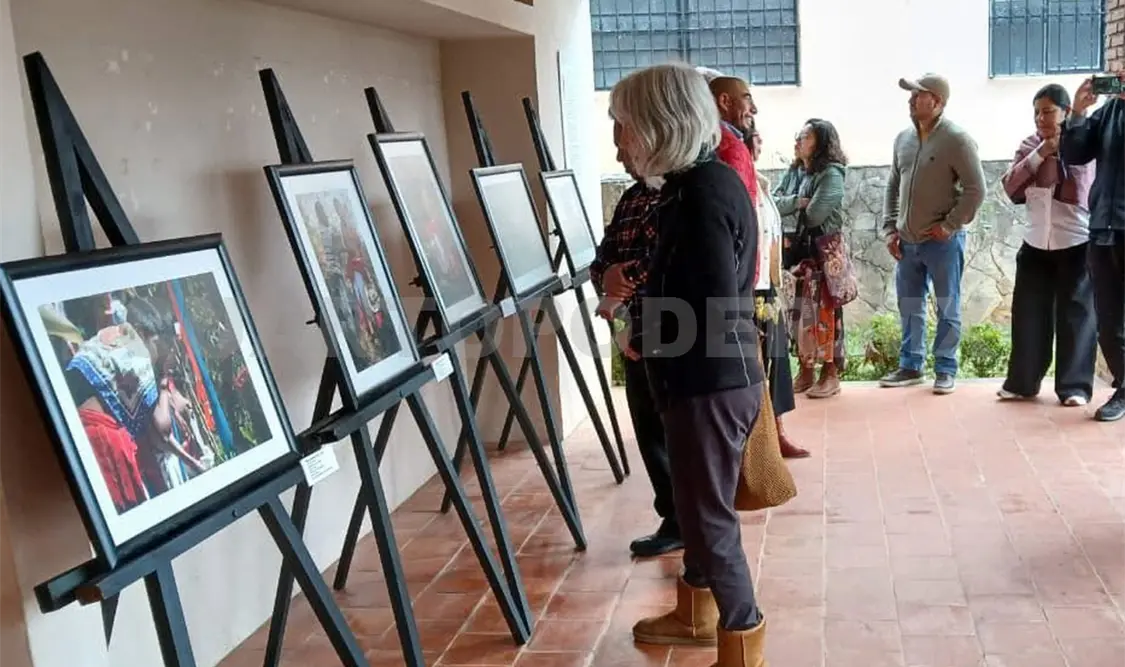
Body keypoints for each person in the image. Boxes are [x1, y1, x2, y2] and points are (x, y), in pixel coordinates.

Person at [612, 63, 768, 667]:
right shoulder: (691, 185)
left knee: (707, 518)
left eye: (624, 126)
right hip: (704, 378)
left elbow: (706, 301)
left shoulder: (701, 192)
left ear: (659, 123)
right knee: (697, 505)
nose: (619, 143)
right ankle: (697, 613)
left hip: (707, 382)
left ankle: (742, 639)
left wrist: (646, 327)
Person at [590, 123, 682, 559]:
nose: (619, 157)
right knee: (648, 430)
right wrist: (611, 287)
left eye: (623, 146)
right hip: (633, 329)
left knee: (677, 431)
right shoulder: (631, 198)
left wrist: (619, 283)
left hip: (672, 331)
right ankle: (674, 518)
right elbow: (602, 259)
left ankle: (692, 520)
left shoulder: (677, 197)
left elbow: (661, 258)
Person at [880, 74, 986, 395]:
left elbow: (976, 190)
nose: (911, 100)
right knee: (910, 306)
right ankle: (911, 366)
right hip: (906, 241)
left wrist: (950, 225)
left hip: (943, 242)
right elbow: (893, 185)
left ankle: (945, 369)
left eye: (918, 94)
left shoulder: (957, 140)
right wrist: (890, 229)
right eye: (911, 95)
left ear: (937, 102)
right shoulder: (903, 139)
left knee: (947, 306)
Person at [998, 84, 1098, 407]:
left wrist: (1063, 149)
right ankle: (1022, 383)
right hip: (1035, 243)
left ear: (1066, 112)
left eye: (1048, 111)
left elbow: (1087, 188)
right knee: (1028, 316)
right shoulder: (1029, 146)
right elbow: (1011, 185)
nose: (1041, 118)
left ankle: (1074, 387)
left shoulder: (1084, 145)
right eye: (1037, 112)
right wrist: (1041, 153)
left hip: (1076, 241)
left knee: (1076, 317)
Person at [1061, 71, 1125, 422]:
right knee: (1109, 321)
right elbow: (1074, 154)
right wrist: (1079, 112)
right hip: (1103, 227)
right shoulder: (1110, 111)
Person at [746, 120, 810, 458]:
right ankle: (759, 440)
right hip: (749, 286)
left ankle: (778, 430)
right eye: (755, 137)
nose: (760, 143)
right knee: (759, 362)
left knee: (777, 355)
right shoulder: (739, 183)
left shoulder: (760, 182)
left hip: (767, 283)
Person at [775, 119, 849, 398]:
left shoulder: (831, 173)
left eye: (805, 137)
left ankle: (830, 373)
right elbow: (773, 202)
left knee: (826, 313)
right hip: (800, 252)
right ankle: (805, 370)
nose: (798, 141)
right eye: (798, 135)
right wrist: (797, 201)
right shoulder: (796, 171)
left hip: (824, 253)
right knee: (800, 311)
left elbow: (816, 214)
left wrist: (795, 204)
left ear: (821, 143)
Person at [709, 75, 759, 203]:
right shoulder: (730, 148)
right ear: (725, 101)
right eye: (748, 99)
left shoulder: (708, 142)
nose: (754, 109)